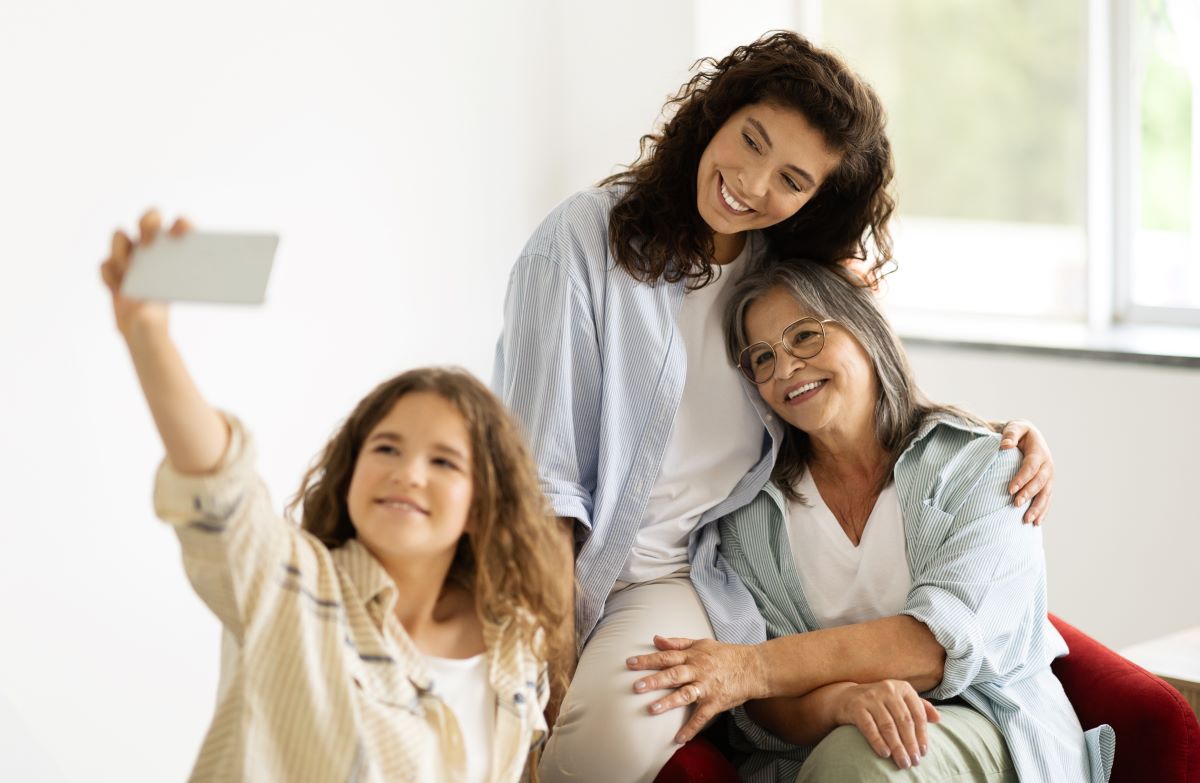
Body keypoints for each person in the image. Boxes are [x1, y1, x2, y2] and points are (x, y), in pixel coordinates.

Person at [493, 31, 1056, 783]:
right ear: (716, 113)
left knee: (601, 756)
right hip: (543, 555)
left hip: (675, 580)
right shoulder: (582, 241)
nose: (751, 184)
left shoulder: (788, 274)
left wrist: (1001, 439)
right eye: (750, 141)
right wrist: (545, 659)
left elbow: (868, 384)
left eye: (790, 179)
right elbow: (540, 481)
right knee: (477, 720)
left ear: (814, 200)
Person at [100, 211, 569, 783]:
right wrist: (148, 335)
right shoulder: (293, 588)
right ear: (351, 473)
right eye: (386, 449)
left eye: (442, 461)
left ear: (481, 506)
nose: (408, 474)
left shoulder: (515, 639)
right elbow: (222, 492)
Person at [625, 260, 1114, 782]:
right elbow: (762, 708)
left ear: (864, 327)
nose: (786, 368)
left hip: (990, 725)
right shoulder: (750, 515)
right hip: (824, 745)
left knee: (861, 761)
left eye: (806, 335)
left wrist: (750, 666)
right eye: (762, 357)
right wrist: (842, 702)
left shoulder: (985, 467)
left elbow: (935, 646)